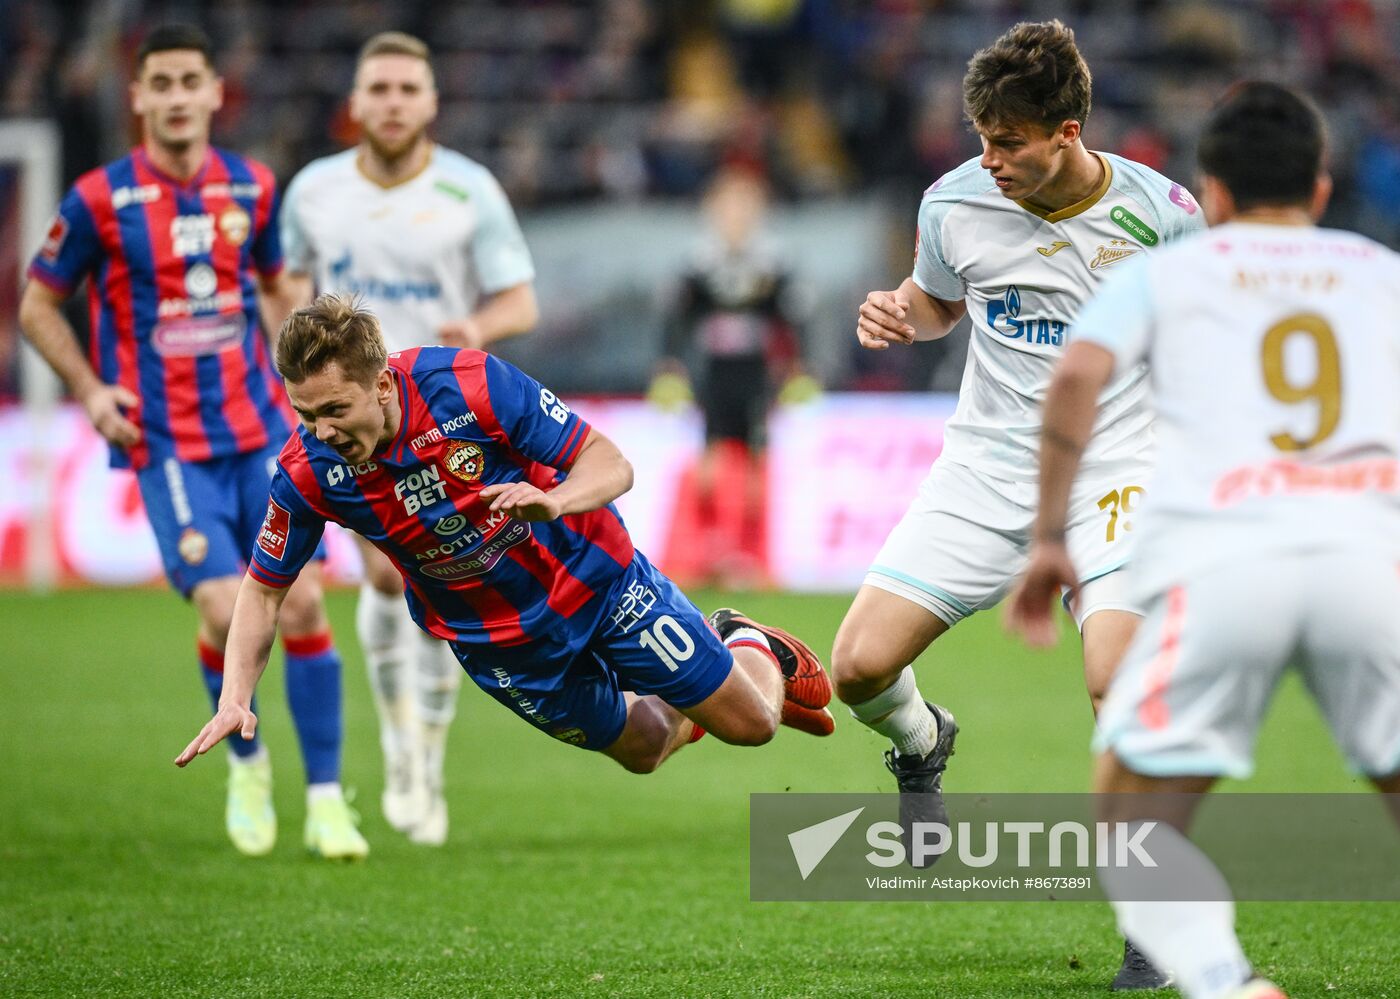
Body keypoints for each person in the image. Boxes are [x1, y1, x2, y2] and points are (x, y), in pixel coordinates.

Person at [830, 20, 1203, 990]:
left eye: (1008, 142)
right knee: (857, 668)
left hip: (1119, 464)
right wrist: (896, 315)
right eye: (979, 137)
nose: (987, 159)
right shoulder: (951, 202)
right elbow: (938, 302)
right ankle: (921, 744)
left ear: (1066, 130)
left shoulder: (1162, 215)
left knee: (1110, 679)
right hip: (988, 466)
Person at [1007, 81, 1400, 999]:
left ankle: (1224, 980)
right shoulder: (1379, 270)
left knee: (1131, 816)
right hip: (1367, 566)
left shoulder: (1165, 272)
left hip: (1225, 568)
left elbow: (1076, 377)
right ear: (1321, 189)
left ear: (1210, 193)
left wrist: (1051, 535)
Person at [175, 294, 835, 788]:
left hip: (596, 579)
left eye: (335, 410)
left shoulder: (470, 385)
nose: (320, 430)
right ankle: (692, 682)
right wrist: (236, 695)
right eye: (305, 414)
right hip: (502, 647)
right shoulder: (307, 472)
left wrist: (557, 499)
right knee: (644, 749)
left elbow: (612, 465)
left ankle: (743, 640)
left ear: (381, 384)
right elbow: (263, 592)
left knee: (753, 725)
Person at [18, 25, 365, 859]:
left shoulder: (251, 185)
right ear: (137, 97)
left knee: (310, 601)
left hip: (260, 436)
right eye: (160, 83)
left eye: (189, 82)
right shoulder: (99, 199)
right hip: (168, 444)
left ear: (216, 92)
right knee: (221, 603)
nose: (176, 97)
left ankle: (325, 798)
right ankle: (246, 762)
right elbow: (36, 305)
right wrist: (93, 390)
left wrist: (312, 387)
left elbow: (280, 285)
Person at [278, 31, 539, 846]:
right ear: (355, 103)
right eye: (378, 89)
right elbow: (285, 292)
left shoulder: (470, 190)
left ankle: (424, 751)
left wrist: (478, 324)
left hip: (448, 418)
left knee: (446, 590)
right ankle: (403, 752)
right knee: (391, 581)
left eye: (407, 89)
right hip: (355, 427)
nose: (392, 102)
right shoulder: (315, 192)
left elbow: (520, 302)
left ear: (431, 102)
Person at [651, 164, 811, 587]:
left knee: (759, 463)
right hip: (713, 373)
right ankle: (709, 552)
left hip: (756, 375)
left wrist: (799, 367)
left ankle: (751, 555)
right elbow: (676, 319)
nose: (736, 216)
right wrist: (670, 366)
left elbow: (793, 318)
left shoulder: (772, 260)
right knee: (709, 463)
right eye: (729, 207)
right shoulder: (699, 260)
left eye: (745, 206)